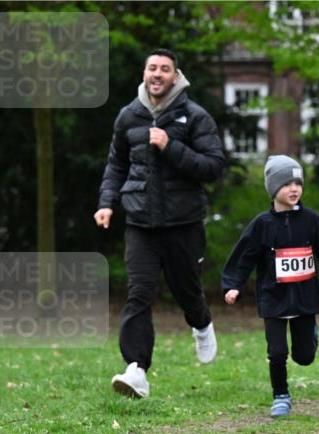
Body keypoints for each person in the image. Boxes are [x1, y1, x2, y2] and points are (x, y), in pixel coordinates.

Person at [95, 48, 226, 398]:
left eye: (164, 69)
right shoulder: (128, 116)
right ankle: (136, 369)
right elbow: (115, 166)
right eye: (152, 67)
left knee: (187, 291)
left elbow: (213, 167)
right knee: (138, 293)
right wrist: (107, 203)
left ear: (175, 76)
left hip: (184, 223)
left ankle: (201, 323)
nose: (157, 74)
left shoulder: (194, 117)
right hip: (140, 223)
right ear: (144, 73)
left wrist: (171, 147)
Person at [221, 155, 319, 417]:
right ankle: (281, 396)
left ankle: (312, 336)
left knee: (304, 356)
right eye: (287, 183)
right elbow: (245, 256)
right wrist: (233, 285)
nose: (294, 189)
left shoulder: (311, 220)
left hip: (305, 299)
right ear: (274, 189)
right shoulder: (262, 224)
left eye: (298, 183)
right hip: (273, 299)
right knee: (277, 352)